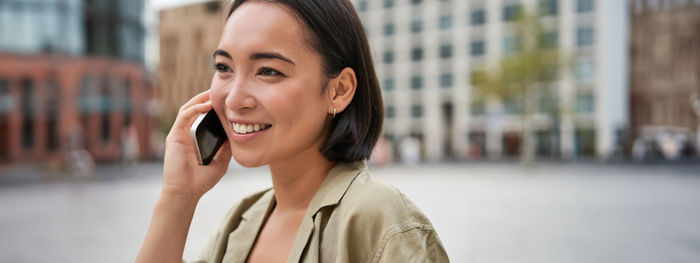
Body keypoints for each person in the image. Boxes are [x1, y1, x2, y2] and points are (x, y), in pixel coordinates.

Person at [136, 0, 449, 262]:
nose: (233, 99)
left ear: (339, 90)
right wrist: (178, 198)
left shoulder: (381, 222)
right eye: (224, 68)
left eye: (268, 71)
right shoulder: (243, 221)